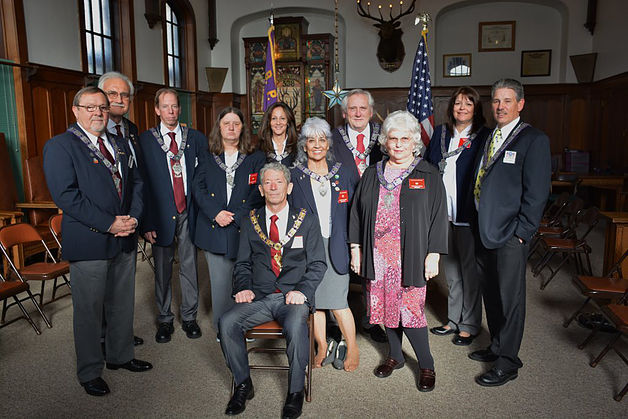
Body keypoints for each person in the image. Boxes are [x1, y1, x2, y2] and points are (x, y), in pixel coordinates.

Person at [43, 86, 152, 397]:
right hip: (91, 240)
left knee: (121, 304)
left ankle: (120, 356)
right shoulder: (61, 146)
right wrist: (109, 223)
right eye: (90, 107)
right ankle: (90, 371)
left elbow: (138, 183)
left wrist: (132, 217)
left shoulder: (119, 143)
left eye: (103, 107)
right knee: (89, 311)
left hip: (125, 236)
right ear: (75, 110)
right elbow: (66, 196)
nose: (98, 113)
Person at [349, 110, 448, 392]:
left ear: (414, 141)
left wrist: (434, 254)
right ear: (385, 141)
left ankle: (426, 363)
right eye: (393, 138)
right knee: (385, 311)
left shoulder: (427, 173)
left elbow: (439, 216)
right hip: (377, 257)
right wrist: (356, 249)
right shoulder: (372, 173)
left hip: (411, 256)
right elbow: (356, 213)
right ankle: (395, 355)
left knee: (411, 311)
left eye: (405, 138)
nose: (399, 144)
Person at [219, 162, 326, 418]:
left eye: (279, 181)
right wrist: (243, 287)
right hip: (260, 296)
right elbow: (243, 263)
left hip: (293, 298)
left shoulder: (307, 220)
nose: (274, 186)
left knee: (296, 327)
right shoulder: (250, 220)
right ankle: (244, 384)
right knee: (227, 322)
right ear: (261, 188)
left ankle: (295, 392)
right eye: (268, 182)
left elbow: (318, 264)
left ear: (288, 187)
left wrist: (302, 290)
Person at [469, 79, 551, 386]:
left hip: (510, 234)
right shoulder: (490, 135)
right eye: (496, 101)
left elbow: (537, 193)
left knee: (510, 298)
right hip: (483, 227)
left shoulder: (533, 139)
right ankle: (497, 345)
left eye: (507, 101)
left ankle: (508, 362)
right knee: (491, 293)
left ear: (520, 104)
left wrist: (523, 232)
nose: (500, 106)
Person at [289, 117, 359, 371]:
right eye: (311, 140)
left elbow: (355, 213)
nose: (317, 145)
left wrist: (355, 247)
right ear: (304, 145)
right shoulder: (294, 176)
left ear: (328, 144)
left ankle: (352, 348)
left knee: (339, 303)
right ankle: (321, 346)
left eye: (321, 139)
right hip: (308, 248)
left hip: (337, 245)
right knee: (314, 302)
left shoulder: (343, 171)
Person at [138, 88, 207, 343]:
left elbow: (203, 176)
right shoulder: (146, 141)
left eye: (175, 106)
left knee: (190, 267)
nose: (171, 111)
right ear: (157, 109)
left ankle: (189, 317)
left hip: (188, 211)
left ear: (180, 108)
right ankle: (165, 320)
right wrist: (146, 222)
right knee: (162, 270)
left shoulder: (195, 138)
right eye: (165, 107)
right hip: (160, 215)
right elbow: (141, 184)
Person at [425, 86, 490, 346]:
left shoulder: (484, 136)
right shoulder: (441, 133)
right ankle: (453, 320)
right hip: (443, 214)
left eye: (468, 104)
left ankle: (470, 324)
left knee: (470, 272)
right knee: (451, 272)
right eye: (458, 103)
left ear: (476, 108)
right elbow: (429, 167)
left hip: (467, 213)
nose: (462, 108)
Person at [193, 107, 265, 338]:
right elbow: (198, 188)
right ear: (219, 127)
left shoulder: (256, 156)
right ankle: (222, 329)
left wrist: (235, 215)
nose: (231, 128)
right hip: (214, 226)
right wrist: (216, 213)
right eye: (227, 123)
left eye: (236, 123)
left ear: (243, 127)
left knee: (245, 279)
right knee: (220, 283)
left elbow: (257, 191)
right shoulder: (206, 155)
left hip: (243, 227)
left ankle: (244, 324)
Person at [332, 88, 387, 343]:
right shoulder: (333, 138)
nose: (357, 113)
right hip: (342, 212)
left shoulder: (385, 136)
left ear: (371, 111)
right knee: (341, 264)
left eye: (362, 108)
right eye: (352, 109)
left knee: (372, 268)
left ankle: (372, 320)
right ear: (344, 113)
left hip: (377, 213)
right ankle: (338, 318)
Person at [98, 71, 144, 347]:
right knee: (101, 288)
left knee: (123, 287)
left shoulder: (131, 129)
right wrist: (110, 220)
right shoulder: (92, 132)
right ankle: (103, 337)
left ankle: (119, 336)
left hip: (129, 220)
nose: (119, 99)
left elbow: (137, 177)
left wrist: (136, 216)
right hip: (102, 223)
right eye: (112, 94)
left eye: (124, 94)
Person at [258, 102, 298, 167]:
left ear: (288, 122)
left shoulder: (298, 148)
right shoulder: (260, 149)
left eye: (282, 118)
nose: (278, 122)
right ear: (269, 122)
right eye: (274, 118)